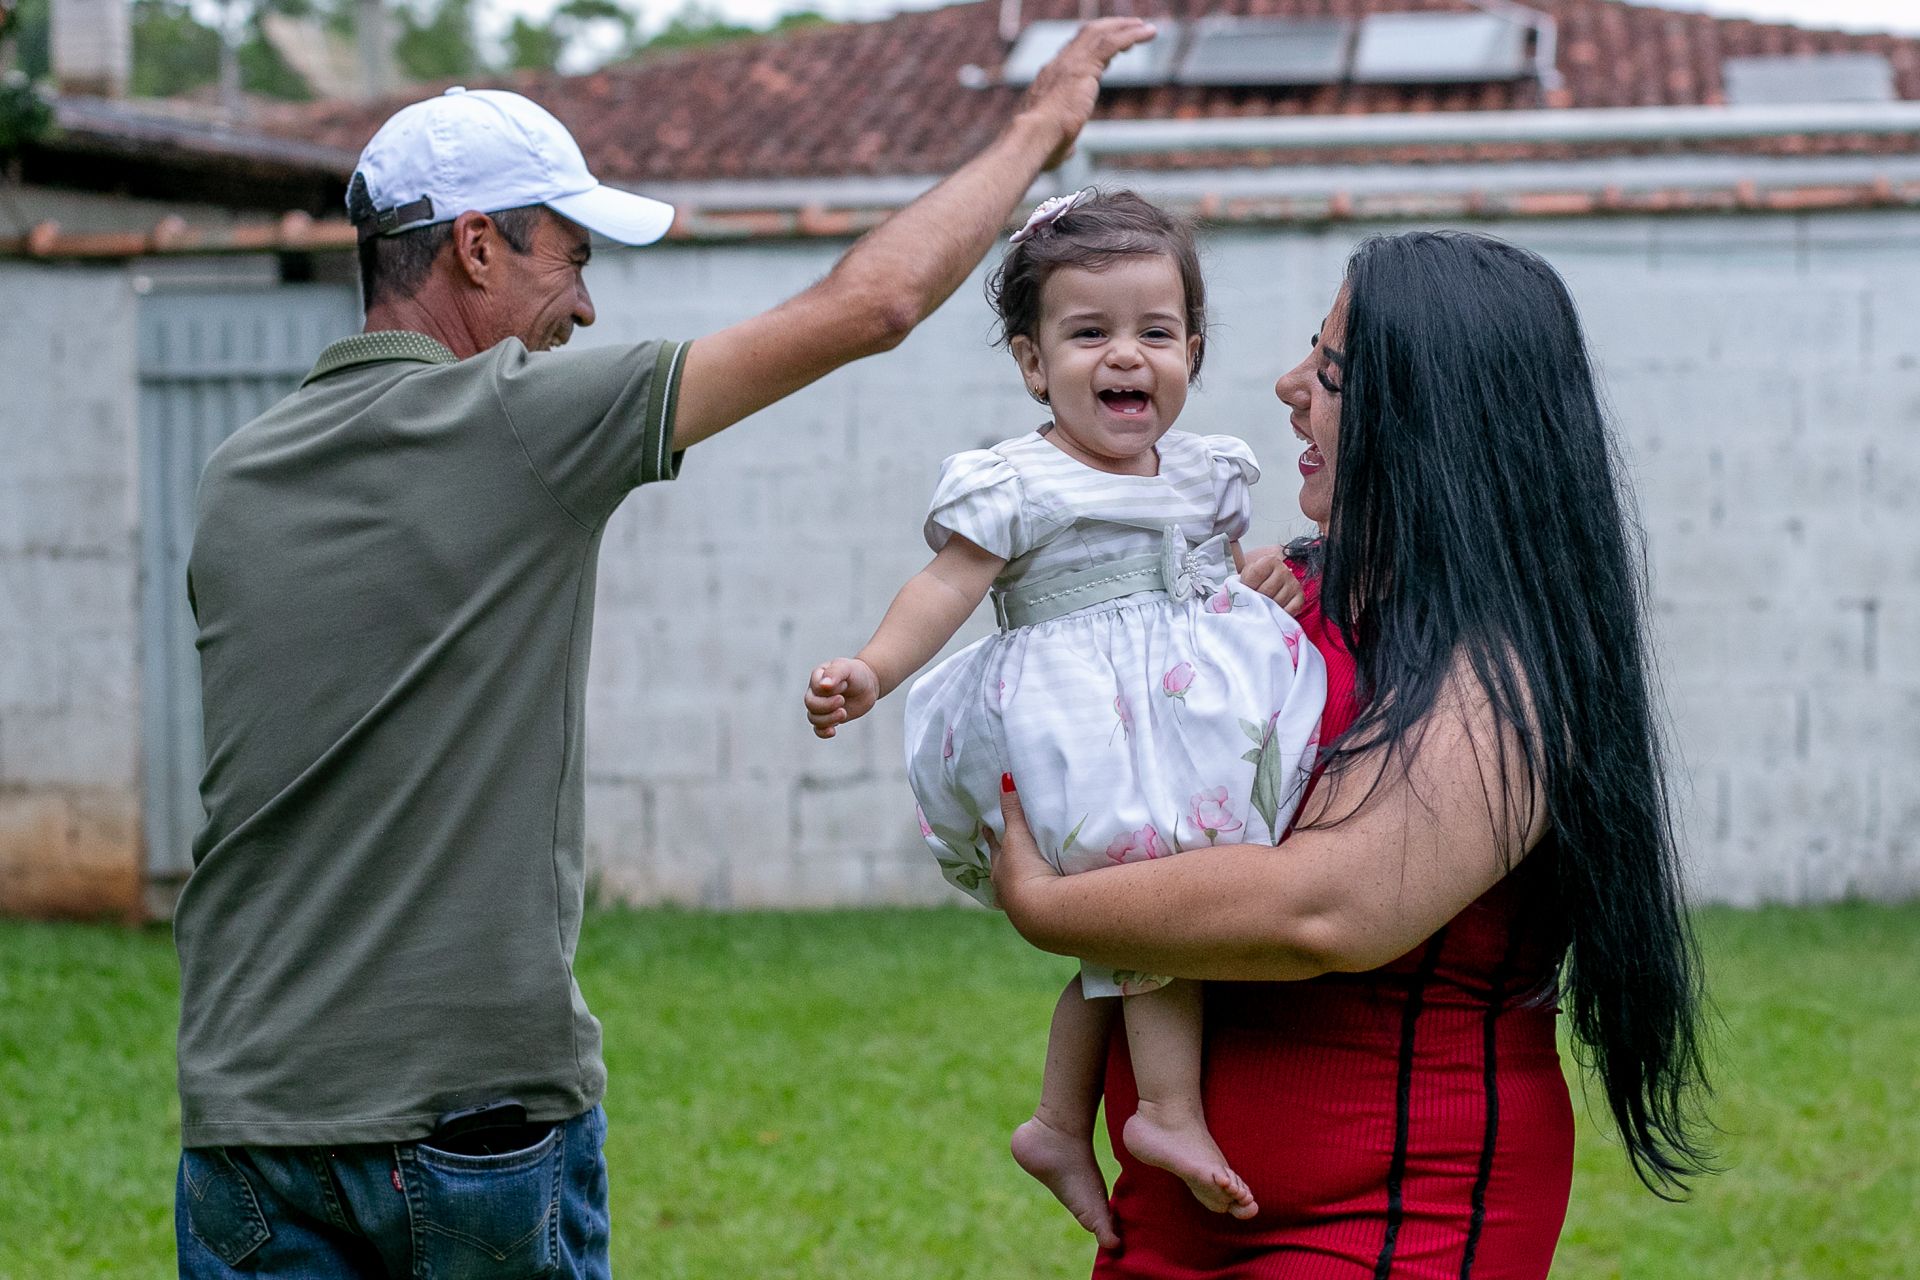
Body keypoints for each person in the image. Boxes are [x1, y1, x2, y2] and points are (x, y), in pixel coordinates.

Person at [169, 20, 1154, 1278]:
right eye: (569, 259)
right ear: (477, 244)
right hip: (464, 1122)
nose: (583, 304)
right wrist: (1038, 129)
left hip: (246, 1124)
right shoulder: (512, 420)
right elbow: (873, 305)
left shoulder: (232, 473)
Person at [988, 230, 1713, 1278]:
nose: (1288, 387)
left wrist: (1047, 902)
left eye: (1329, 371)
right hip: (1173, 1204)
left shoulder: (1507, 669)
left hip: (1388, 1214)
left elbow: (1326, 907)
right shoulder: (1288, 591)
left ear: (1434, 417)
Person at [804, 187, 1325, 1244]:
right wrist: (873, 666)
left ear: (1193, 346)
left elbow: (1211, 570)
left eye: (1154, 331)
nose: (1124, 355)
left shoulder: (1205, 469)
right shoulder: (1020, 478)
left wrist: (1255, 577)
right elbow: (946, 586)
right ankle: (1164, 1111)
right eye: (1088, 333)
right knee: (1144, 900)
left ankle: (1055, 1120)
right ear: (1033, 361)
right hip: (1084, 721)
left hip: (1181, 717)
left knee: (1144, 915)